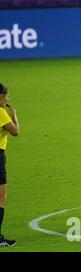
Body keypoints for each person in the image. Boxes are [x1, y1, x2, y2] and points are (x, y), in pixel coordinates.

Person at [0, 83, 19, 247]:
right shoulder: (1, 112)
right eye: (6, 96)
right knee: (0, 198)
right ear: (1, 96)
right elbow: (15, 132)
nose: (7, 99)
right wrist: (13, 115)